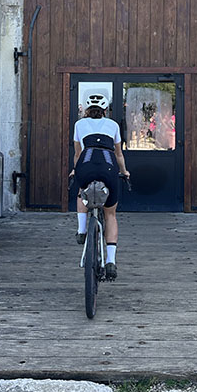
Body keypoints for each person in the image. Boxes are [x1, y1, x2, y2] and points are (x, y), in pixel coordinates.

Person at [71, 95, 129, 281]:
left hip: (86, 165)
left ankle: (81, 231)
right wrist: (125, 171)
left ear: (87, 108)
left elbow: (78, 153)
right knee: (110, 214)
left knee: (82, 192)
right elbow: (118, 154)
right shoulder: (113, 125)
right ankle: (110, 261)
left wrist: (75, 170)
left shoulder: (79, 125)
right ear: (106, 109)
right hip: (108, 166)